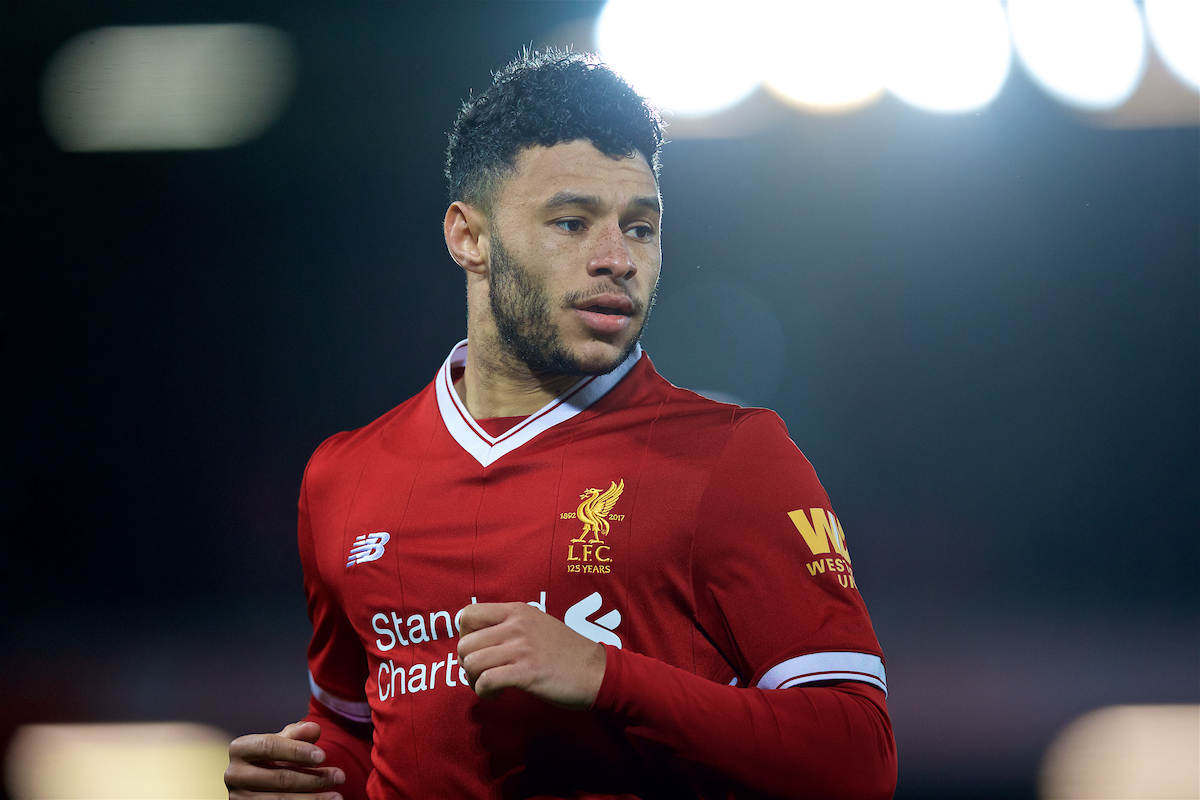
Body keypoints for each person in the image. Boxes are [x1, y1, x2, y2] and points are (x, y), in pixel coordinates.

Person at [225, 50, 896, 800]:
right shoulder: (344, 479)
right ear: (469, 238)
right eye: (572, 222)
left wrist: (606, 675)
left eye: (640, 228)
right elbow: (359, 732)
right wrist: (311, 778)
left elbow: (857, 759)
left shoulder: (734, 459)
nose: (616, 259)